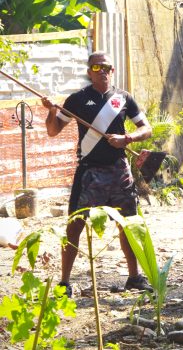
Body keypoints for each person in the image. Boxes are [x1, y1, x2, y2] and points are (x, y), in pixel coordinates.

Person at [42, 51, 153, 295]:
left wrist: (127, 138)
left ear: (112, 70)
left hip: (119, 171)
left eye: (106, 67)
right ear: (89, 72)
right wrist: (50, 110)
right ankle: (64, 282)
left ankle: (134, 277)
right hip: (89, 172)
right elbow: (53, 131)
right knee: (75, 225)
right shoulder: (77, 99)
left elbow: (146, 129)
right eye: (96, 67)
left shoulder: (124, 98)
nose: (102, 70)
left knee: (128, 225)